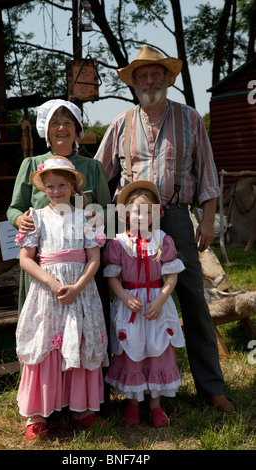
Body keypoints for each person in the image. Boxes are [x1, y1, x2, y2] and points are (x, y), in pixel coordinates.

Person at [94, 46, 234, 413]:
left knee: (192, 299)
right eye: (143, 76)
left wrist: (206, 220)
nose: (150, 81)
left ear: (168, 79)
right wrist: (82, 217)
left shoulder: (190, 120)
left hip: (173, 219)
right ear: (134, 83)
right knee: (120, 301)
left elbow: (207, 175)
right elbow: (98, 174)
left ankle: (211, 388)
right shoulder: (120, 123)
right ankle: (118, 389)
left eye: (156, 74)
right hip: (127, 225)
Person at [15, 156, 109, 440]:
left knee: (80, 341)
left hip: (81, 292)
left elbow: (94, 258)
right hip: (48, 292)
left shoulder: (86, 217)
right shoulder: (37, 217)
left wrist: (79, 285)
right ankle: (37, 415)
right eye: (51, 186)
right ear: (44, 188)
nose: (56, 191)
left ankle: (82, 409)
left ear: (72, 187)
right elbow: (25, 259)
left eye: (62, 185)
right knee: (45, 345)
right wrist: (52, 283)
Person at [7, 99, 111, 317]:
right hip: (41, 265)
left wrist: (96, 217)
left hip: (84, 266)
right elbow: (14, 208)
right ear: (46, 130)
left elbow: (108, 212)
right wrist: (19, 220)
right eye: (55, 123)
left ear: (77, 130)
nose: (61, 128)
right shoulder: (32, 165)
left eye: (67, 123)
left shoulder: (93, 167)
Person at [103, 181, 185, 427]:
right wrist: (125, 297)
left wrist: (161, 299)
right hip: (131, 305)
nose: (141, 216)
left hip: (156, 306)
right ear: (127, 214)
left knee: (157, 348)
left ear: (156, 213)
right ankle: (132, 403)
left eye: (148, 211)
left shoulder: (163, 240)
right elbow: (112, 277)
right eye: (137, 211)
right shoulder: (118, 243)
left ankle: (155, 405)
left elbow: (171, 275)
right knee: (132, 349)